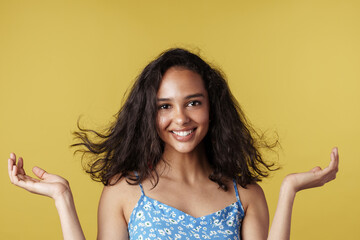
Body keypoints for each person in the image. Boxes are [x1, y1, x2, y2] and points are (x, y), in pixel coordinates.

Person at [7, 48, 339, 240]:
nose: (180, 118)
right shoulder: (123, 191)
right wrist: (62, 199)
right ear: (148, 115)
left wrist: (289, 191)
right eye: (164, 106)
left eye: (193, 102)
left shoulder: (246, 194)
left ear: (212, 107)